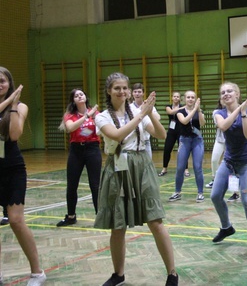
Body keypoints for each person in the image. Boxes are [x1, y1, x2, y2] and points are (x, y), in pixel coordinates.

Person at [94, 72, 178, 286]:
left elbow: (161, 134)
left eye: (125, 88)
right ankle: (118, 274)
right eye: (117, 88)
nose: (122, 92)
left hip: (142, 165)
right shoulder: (102, 116)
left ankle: (172, 273)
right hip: (118, 167)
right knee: (118, 225)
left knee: (155, 221)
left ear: (129, 90)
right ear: (109, 91)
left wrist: (150, 114)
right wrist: (142, 114)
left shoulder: (138, 111)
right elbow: (117, 135)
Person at [0, 67, 47, 285]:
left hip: (13, 167)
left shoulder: (21, 106)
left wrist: (11, 106)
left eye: (2, 81)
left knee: (16, 221)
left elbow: (14, 134)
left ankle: (37, 272)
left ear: (10, 83)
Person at [210, 82, 247, 251]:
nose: (226, 94)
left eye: (230, 91)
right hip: (229, 162)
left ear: (237, 94)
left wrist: (244, 112)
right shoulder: (219, 113)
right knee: (215, 196)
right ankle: (226, 227)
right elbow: (223, 126)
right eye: (223, 92)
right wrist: (239, 110)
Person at [56, 89, 101, 227]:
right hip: (76, 150)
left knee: (95, 185)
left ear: (86, 97)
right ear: (73, 100)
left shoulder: (96, 114)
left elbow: (99, 129)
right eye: (76, 95)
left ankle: (100, 216)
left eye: (81, 94)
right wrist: (87, 116)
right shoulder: (70, 115)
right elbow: (71, 128)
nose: (79, 96)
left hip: (93, 148)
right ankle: (71, 216)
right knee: (72, 185)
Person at [168, 90, 206, 202]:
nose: (190, 99)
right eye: (188, 97)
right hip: (184, 141)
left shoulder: (198, 111)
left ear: (195, 99)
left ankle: (200, 193)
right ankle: (177, 192)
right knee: (180, 168)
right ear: (184, 99)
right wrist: (194, 109)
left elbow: (202, 123)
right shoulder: (180, 111)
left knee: (197, 167)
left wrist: (198, 111)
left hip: (197, 140)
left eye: (192, 97)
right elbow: (184, 121)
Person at [130, 83, 160, 159]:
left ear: (143, 93)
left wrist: (148, 109)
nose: (137, 94)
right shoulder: (129, 107)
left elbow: (158, 118)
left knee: (147, 165)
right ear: (132, 93)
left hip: (145, 141)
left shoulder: (148, 105)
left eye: (139, 92)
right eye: (135, 91)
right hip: (132, 140)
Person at [160, 91, 183, 177]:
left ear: (180, 98)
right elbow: (170, 112)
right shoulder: (168, 106)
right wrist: (182, 108)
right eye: (175, 96)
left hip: (181, 131)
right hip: (171, 131)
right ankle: (164, 168)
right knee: (167, 149)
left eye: (178, 96)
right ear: (172, 98)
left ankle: (186, 169)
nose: (176, 98)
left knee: (182, 151)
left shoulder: (182, 107)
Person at [206, 99, 225, 188]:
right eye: (222, 99)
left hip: (231, 141)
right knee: (214, 160)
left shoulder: (234, 110)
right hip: (220, 139)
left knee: (229, 163)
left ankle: (230, 182)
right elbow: (219, 125)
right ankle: (215, 179)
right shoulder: (216, 112)